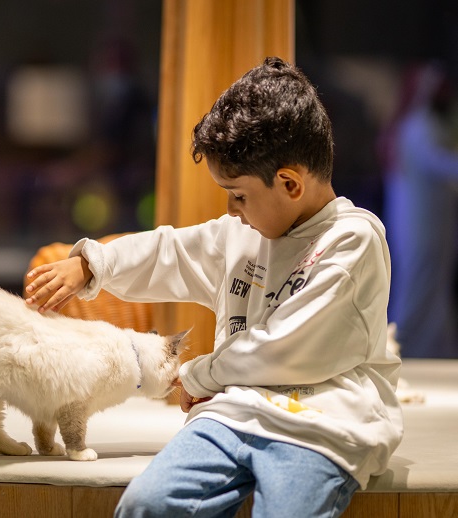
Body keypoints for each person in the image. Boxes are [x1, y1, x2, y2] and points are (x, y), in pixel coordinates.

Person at [25, 57, 403, 517]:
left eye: (239, 195)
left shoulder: (353, 238)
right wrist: (92, 265)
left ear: (289, 184)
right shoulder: (242, 234)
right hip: (232, 414)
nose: (232, 208)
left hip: (322, 426)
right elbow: (171, 251)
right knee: (146, 507)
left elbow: (290, 347)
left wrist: (198, 374)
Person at [380, 62, 458, 358]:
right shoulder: (416, 126)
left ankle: (437, 351)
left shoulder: (429, 124)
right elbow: (440, 163)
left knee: (436, 290)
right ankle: (400, 351)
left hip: (436, 224)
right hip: (418, 226)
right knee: (416, 287)